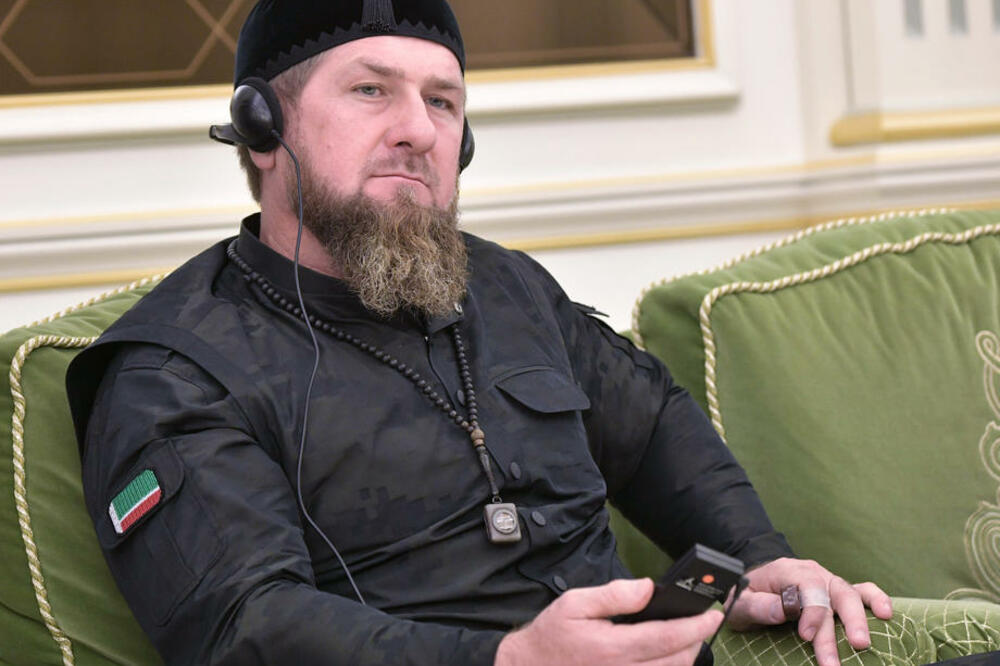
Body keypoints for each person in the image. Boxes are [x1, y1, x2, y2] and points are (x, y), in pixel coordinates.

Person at [66, 2, 892, 665]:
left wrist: (759, 556)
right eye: (371, 91)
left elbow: (648, 425)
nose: (419, 131)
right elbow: (244, 625)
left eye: (442, 101)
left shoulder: (504, 285)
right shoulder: (173, 369)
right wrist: (508, 659)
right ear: (262, 128)